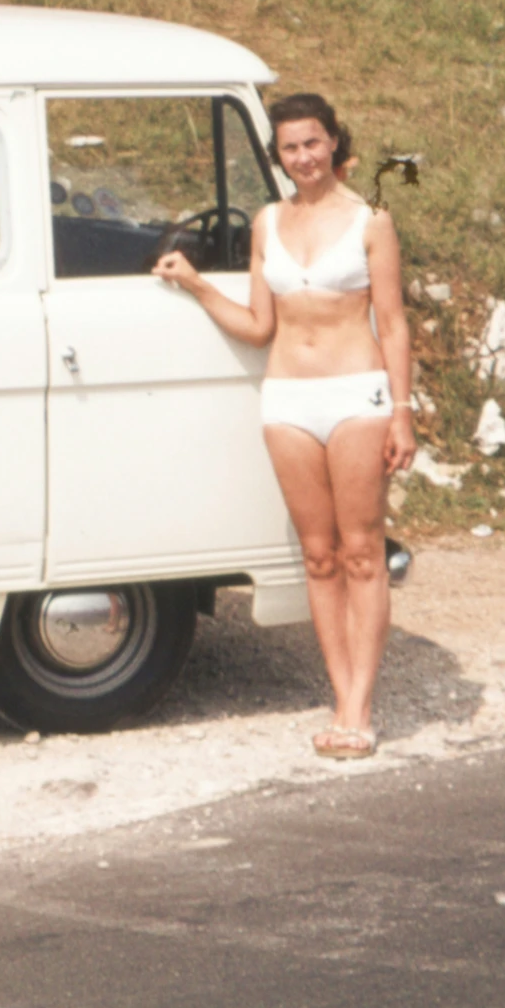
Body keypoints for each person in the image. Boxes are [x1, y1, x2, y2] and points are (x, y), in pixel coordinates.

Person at [152, 92, 415, 759]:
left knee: (362, 552)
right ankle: (339, 694)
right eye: (291, 147)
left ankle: (359, 707)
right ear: (279, 155)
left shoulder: (371, 221)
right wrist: (197, 285)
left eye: (313, 143)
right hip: (287, 401)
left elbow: (394, 322)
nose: (303, 157)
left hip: (357, 394)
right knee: (318, 557)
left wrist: (403, 414)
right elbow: (260, 325)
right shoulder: (267, 223)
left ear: (335, 143)